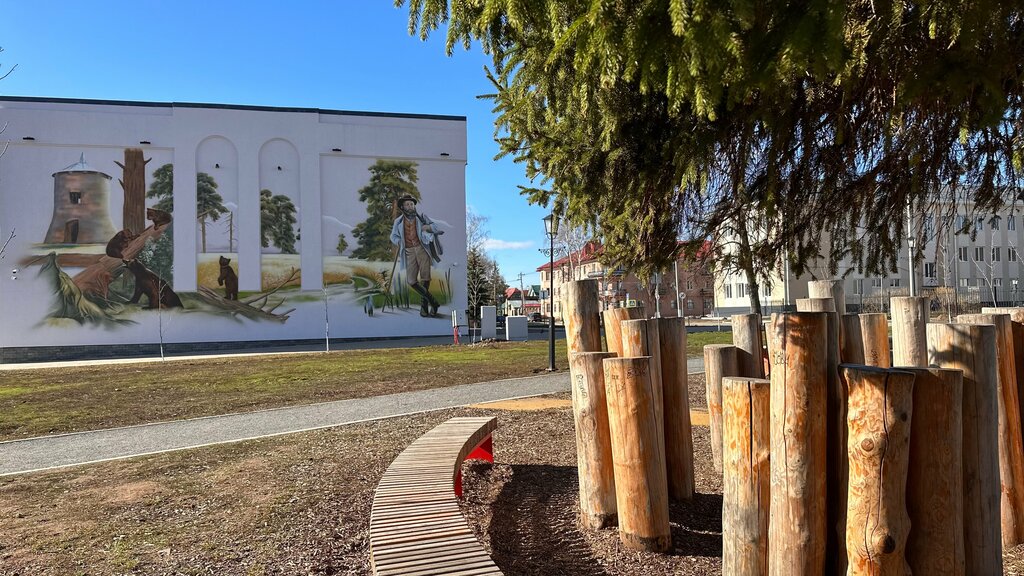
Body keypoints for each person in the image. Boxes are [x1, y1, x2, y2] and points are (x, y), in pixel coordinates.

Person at [390, 194, 443, 317]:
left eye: (412, 204)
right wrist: (399, 241)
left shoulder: (422, 217)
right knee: (411, 281)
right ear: (403, 207)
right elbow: (393, 236)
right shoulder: (398, 222)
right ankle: (433, 302)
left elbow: (436, 227)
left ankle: (424, 307)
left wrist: (427, 226)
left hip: (422, 249)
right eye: (407, 204)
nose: (410, 206)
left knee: (425, 278)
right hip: (408, 251)